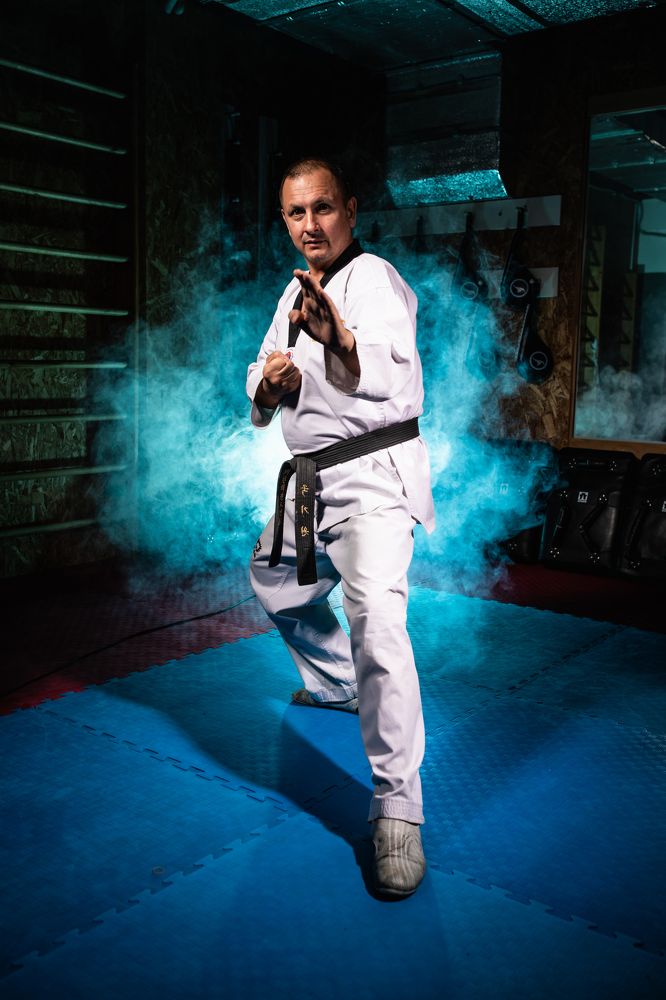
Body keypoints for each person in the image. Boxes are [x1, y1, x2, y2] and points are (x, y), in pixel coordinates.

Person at [246, 157, 435, 898]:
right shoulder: (292, 291)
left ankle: (398, 811)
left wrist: (339, 341)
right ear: (285, 222)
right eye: (296, 213)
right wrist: (273, 382)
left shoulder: (377, 280)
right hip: (312, 484)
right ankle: (336, 683)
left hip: (372, 481)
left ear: (350, 210)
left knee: (379, 626)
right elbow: (259, 374)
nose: (310, 225)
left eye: (322, 208)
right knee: (273, 581)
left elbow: (389, 370)